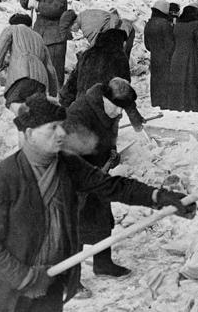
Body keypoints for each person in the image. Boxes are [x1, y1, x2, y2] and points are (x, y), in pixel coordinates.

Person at [0, 93, 194, 312]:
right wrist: (26, 277)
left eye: (61, 126)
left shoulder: (66, 164)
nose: (61, 133)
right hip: (8, 291)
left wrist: (159, 196)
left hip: (51, 281)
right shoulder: (5, 177)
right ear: (29, 134)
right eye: (51, 128)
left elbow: (112, 186)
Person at [65, 78, 146, 282]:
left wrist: (112, 153)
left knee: (101, 218)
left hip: (98, 174)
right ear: (107, 100)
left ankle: (103, 264)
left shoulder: (110, 108)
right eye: (118, 109)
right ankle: (69, 277)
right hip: (77, 176)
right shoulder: (80, 112)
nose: (120, 114)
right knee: (77, 224)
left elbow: (109, 137)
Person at [0, 13, 58, 114]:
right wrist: (53, 92)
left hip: (21, 74)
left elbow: (2, 45)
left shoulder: (13, 29)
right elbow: (50, 68)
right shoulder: (39, 38)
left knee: (13, 102)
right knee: (34, 110)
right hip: (41, 79)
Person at [59, 28, 131, 108]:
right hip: (105, 108)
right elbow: (124, 88)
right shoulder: (119, 57)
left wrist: (65, 101)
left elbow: (73, 80)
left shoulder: (87, 54)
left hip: (82, 105)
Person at [20, 0, 69, 85]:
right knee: (41, 71)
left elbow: (56, 9)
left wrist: (38, 5)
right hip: (41, 38)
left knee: (55, 71)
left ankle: (57, 96)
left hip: (55, 40)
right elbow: (24, 3)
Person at [168, 4, 198, 112]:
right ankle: (192, 107)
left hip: (176, 57)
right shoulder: (197, 25)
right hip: (190, 58)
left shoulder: (178, 25)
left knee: (178, 83)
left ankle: (177, 106)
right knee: (191, 83)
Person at [144, 0, 174, 109]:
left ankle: (156, 102)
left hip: (154, 57)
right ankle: (165, 104)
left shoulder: (148, 23)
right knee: (165, 82)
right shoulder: (165, 24)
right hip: (166, 58)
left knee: (155, 81)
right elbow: (170, 44)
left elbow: (147, 45)